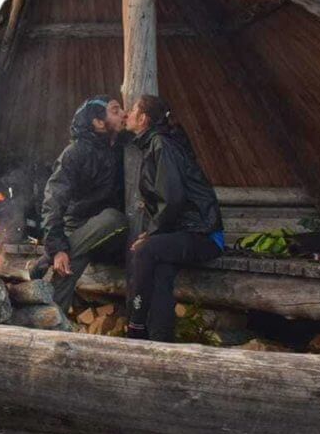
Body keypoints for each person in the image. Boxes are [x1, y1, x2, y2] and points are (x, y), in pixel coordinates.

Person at [123, 94, 224, 341]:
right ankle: (160, 341)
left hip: (203, 234)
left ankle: (135, 326)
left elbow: (173, 198)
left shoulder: (162, 144)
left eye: (132, 110)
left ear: (144, 118)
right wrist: (154, 233)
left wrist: (151, 235)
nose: (127, 114)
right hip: (184, 231)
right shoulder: (159, 143)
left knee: (144, 251)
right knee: (161, 271)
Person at [32, 95, 130, 309]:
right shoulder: (76, 153)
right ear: (98, 122)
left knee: (114, 219)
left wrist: (59, 250)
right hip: (78, 227)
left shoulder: (127, 147)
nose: (125, 113)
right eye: (115, 110)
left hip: (112, 233)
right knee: (71, 257)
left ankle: (48, 259)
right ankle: (54, 319)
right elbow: (53, 200)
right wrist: (58, 248)